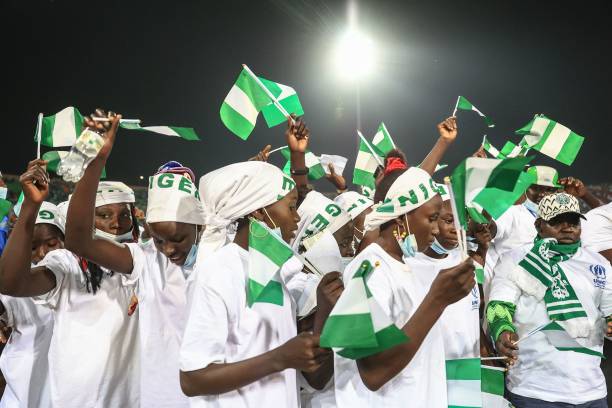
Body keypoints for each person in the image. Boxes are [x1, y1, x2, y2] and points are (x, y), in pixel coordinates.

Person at [65, 110, 205, 407]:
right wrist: (94, 158)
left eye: (177, 238)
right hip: (161, 397)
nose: (167, 250)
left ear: (200, 226)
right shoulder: (145, 259)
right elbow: (77, 239)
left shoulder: (221, 257)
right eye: (158, 239)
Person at [180, 160, 327, 407]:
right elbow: (192, 379)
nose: (297, 217)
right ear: (259, 212)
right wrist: (280, 358)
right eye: (291, 207)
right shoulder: (217, 273)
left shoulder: (273, 271)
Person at [0, 149, 140, 407]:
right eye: (104, 215)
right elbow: (12, 284)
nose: (117, 224)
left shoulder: (143, 261)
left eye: (124, 215)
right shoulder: (67, 264)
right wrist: (31, 206)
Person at [333, 166, 475, 407]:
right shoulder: (370, 269)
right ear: (401, 216)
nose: (436, 229)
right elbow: (373, 372)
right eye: (431, 219)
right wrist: (437, 300)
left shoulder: (403, 265)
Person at [488, 192, 612, 407]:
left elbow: (609, 312)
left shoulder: (598, 264)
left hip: (591, 390)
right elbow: (499, 306)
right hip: (533, 390)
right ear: (539, 225)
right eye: (556, 221)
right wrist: (502, 330)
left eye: (573, 221)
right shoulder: (516, 259)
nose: (567, 227)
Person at [0, 192, 63, 408]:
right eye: (32, 247)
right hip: (22, 400)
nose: (42, 254)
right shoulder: (12, 288)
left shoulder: (83, 281)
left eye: (52, 244)